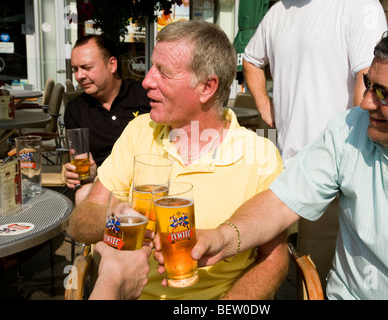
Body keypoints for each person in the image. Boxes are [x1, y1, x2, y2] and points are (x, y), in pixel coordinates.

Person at [188, 21, 388, 300]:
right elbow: (280, 203)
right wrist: (224, 239)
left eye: (385, 94)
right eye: (368, 84)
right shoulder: (350, 130)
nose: (366, 102)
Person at [67, 20, 288, 300]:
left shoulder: (261, 155)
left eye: (163, 72)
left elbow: (275, 258)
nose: (146, 80)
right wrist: (116, 220)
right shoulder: (140, 130)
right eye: (151, 67)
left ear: (207, 87)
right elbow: (81, 222)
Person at [242, 0, 387, 166]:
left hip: (337, 165)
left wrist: (357, 160)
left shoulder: (360, 5)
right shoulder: (278, 11)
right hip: (287, 163)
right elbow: (251, 61)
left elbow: (369, 78)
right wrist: (265, 106)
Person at [64, 35, 151, 197]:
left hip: (148, 183)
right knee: (82, 193)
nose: (79, 75)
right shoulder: (75, 109)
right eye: (75, 69)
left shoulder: (146, 97)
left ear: (112, 65)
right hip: (107, 186)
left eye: (86, 67)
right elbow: (86, 164)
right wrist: (80, 174)